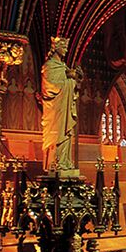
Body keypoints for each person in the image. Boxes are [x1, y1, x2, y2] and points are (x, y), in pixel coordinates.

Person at [39, 37, 79, 179]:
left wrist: (75, 79)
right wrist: (69, 78)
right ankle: (56, 163)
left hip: (64, 108)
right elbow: (51, 88)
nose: (67, 50)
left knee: (67, 134)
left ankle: (64, 162)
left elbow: (72, 84)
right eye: (64, 47)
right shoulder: (49, 66)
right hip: (55, 110)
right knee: (58, 134)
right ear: (56, 47)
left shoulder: (63, 67)